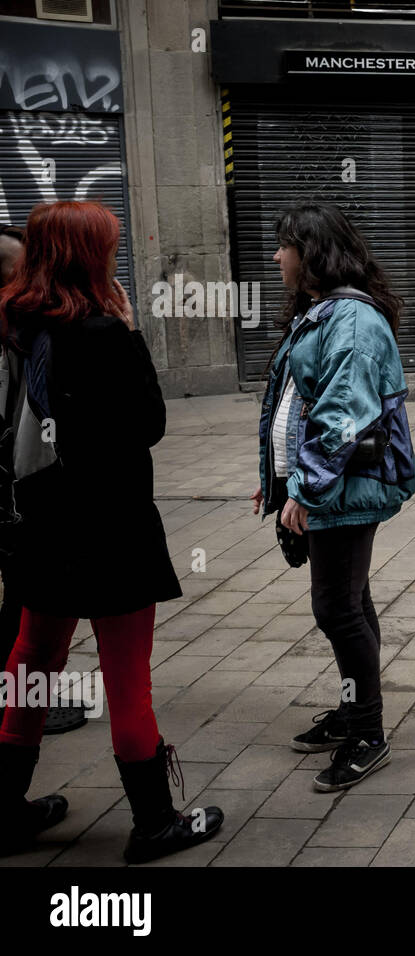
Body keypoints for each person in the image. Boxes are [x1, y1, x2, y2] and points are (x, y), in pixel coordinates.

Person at [0, 201, 222, 862]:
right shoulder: (98, 332)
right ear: (86, 255)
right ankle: (155, 823)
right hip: (111, 530)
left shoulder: (14, 321)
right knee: (126, 677)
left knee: (31, 663)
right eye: (109, 246)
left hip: (42, 526)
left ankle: (5, 813)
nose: (115, 256)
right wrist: (130, 332)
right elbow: (148, 423)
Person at [252, 202, 415, 791]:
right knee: (350, 599)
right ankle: (354, 709)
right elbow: (296, 402)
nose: (275, 257)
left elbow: (343, 418)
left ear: (311, 252)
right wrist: (277, 477)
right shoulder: (325, 312)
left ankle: (368, 734)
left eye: (284, 246)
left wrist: (305, 486)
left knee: (336, 608)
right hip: (334, 482)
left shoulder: (349, 321)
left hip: (348, 483)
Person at [0, 223, 86, 737]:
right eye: (21, 270)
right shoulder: (17, 331)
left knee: (21, 602)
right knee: (22, 606)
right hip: (15, 500)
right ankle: (21, 704)